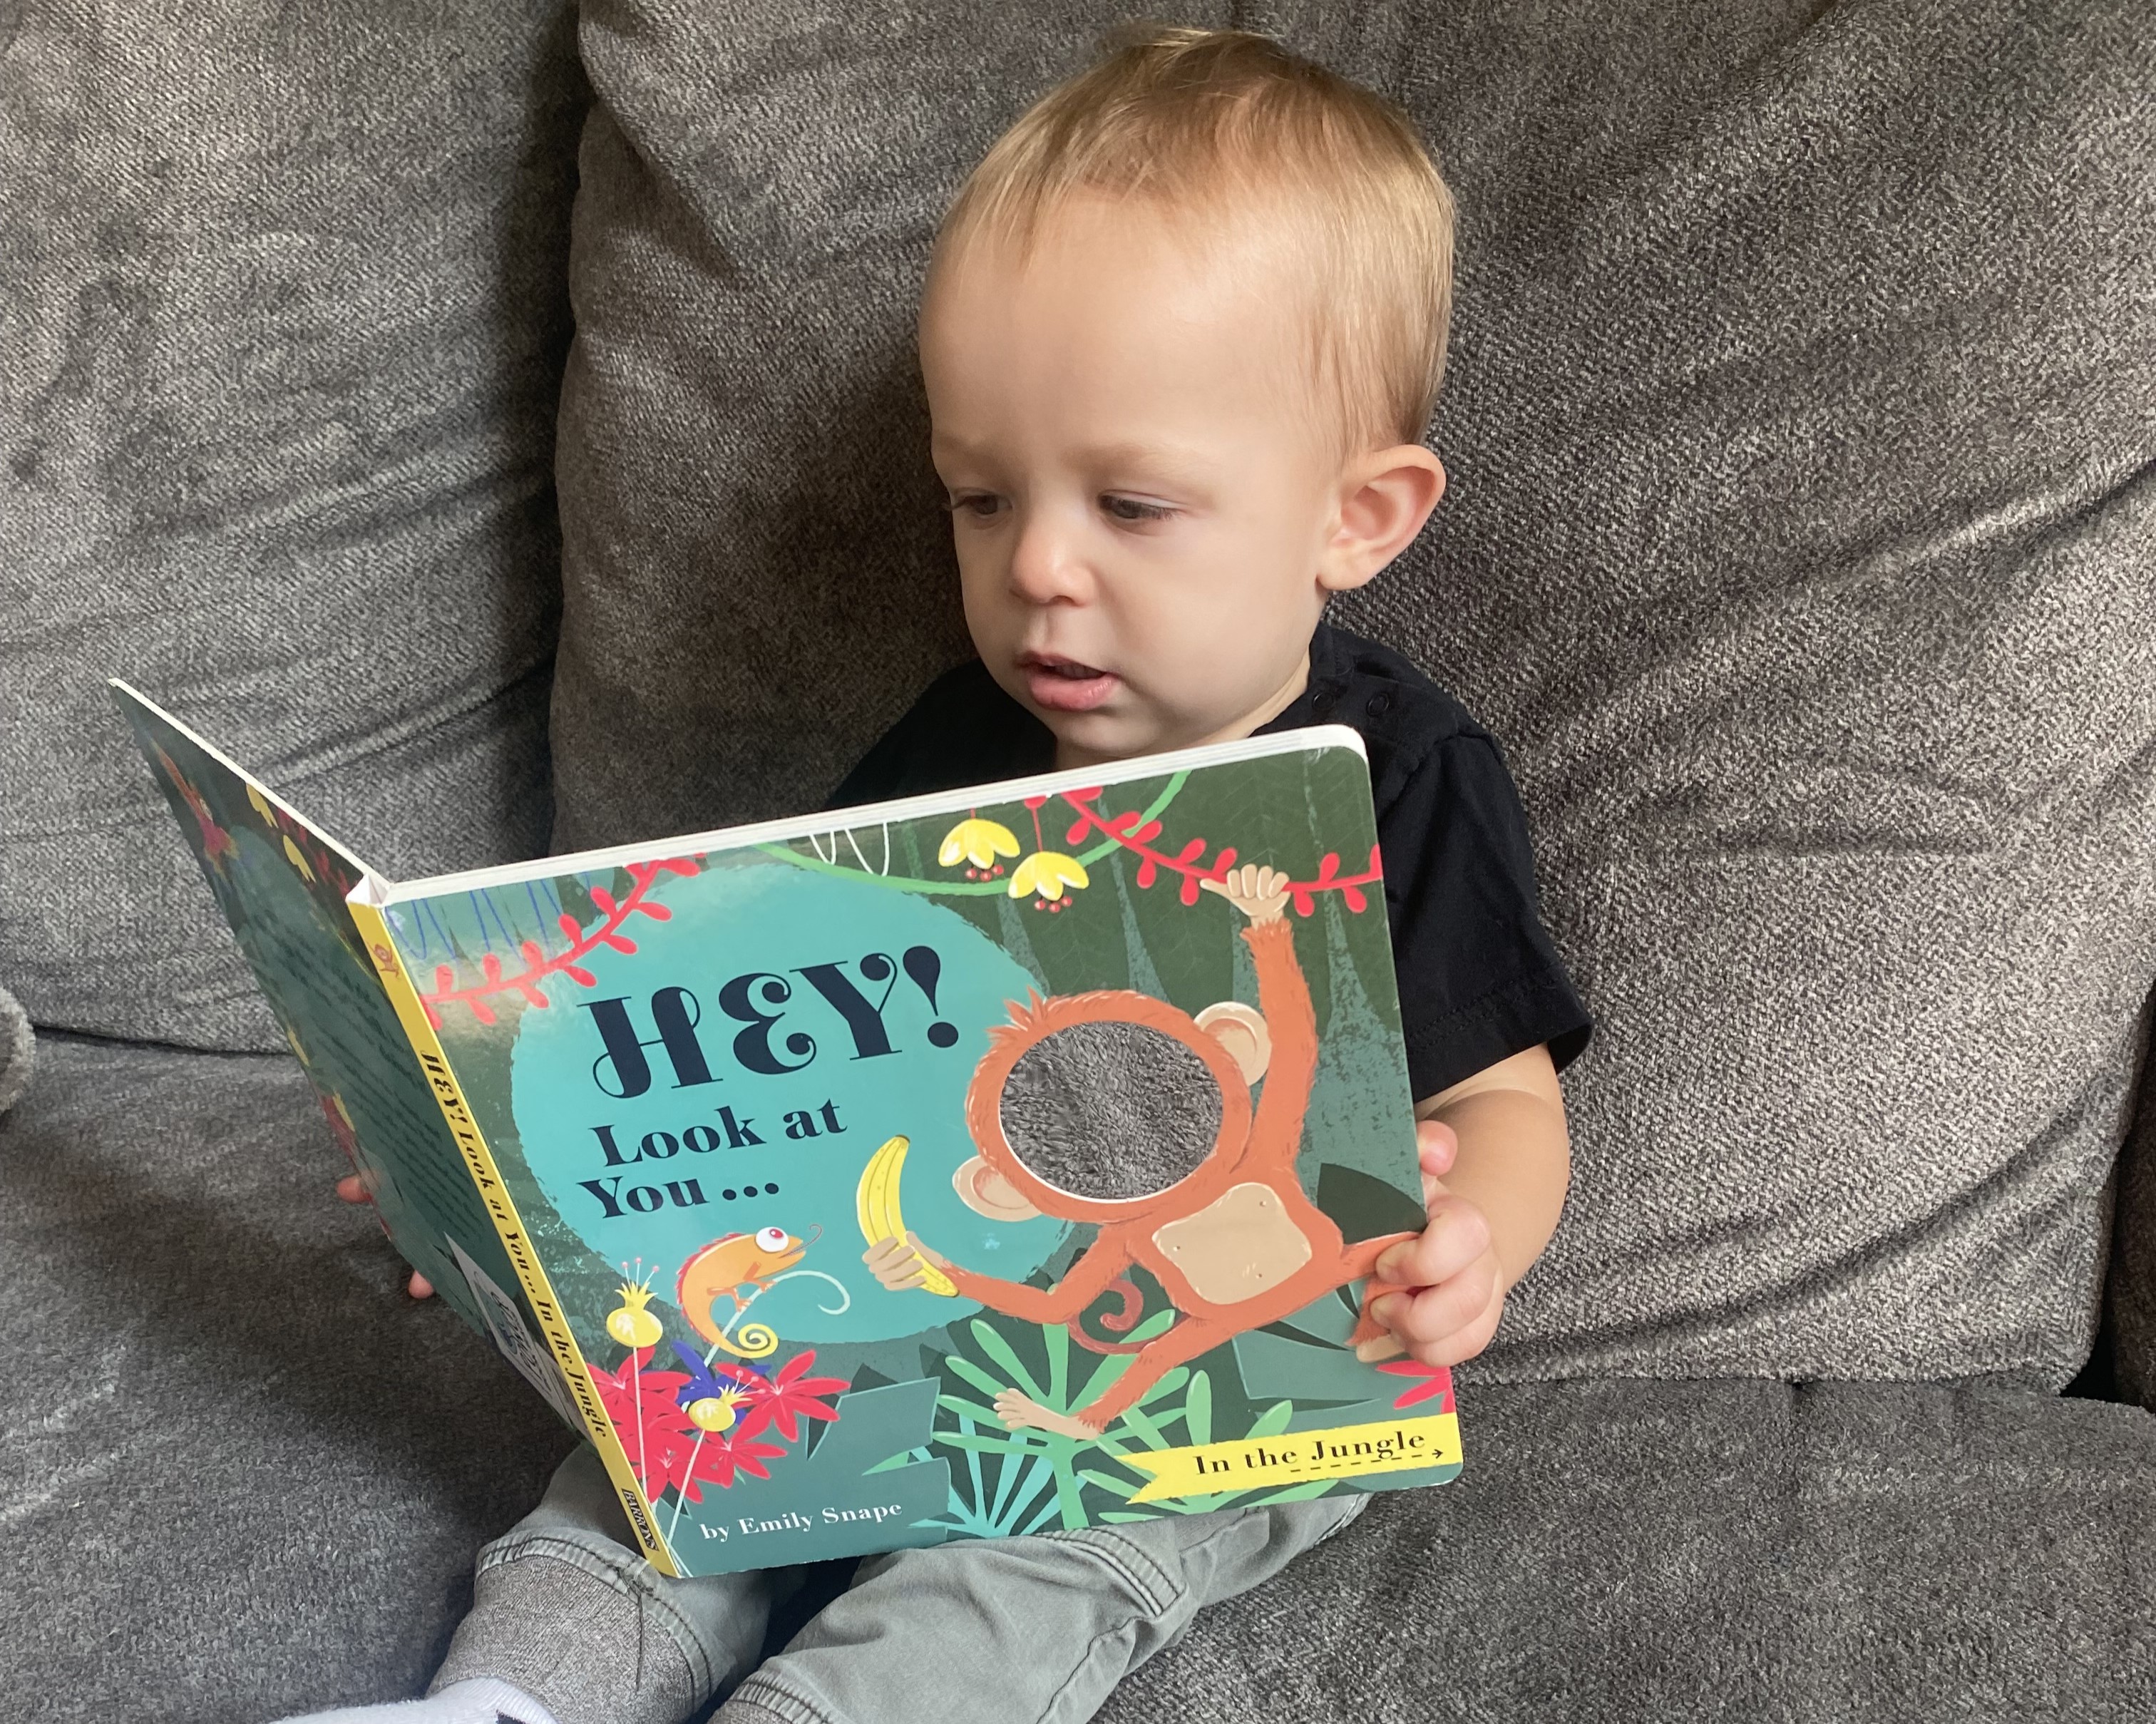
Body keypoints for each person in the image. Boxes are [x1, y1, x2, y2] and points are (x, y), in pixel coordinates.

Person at [291, 24, 1591, 1724]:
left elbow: (1503, 1098)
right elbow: (740, 1030)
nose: (1037, 567)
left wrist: (1469, 1234)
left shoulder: (1399, 780)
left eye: (1131, 504)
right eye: (981, 499)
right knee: (669, 1450)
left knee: (1037, 1560)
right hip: (911, 1276)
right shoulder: (956, 741)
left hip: (1222, 1361)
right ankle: (504, 1703)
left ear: (1358, 516)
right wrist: (495, 1172)